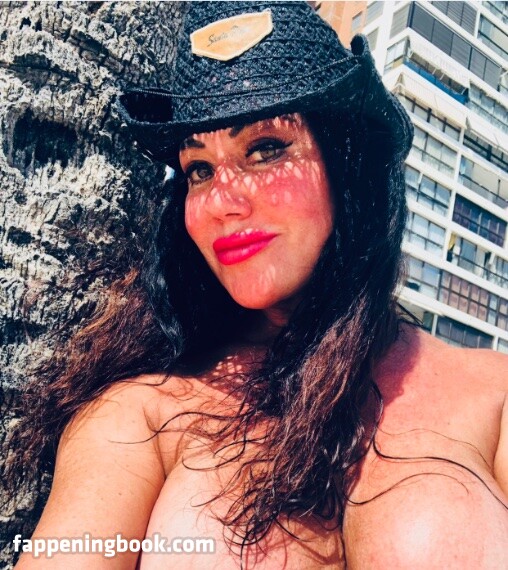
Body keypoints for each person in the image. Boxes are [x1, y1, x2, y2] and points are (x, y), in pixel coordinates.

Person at [6, 1, 507, 568]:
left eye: (266, 149)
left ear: (346, 164)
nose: (223, 201)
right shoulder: (142, 417)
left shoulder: (493, 396)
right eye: (199, 170)